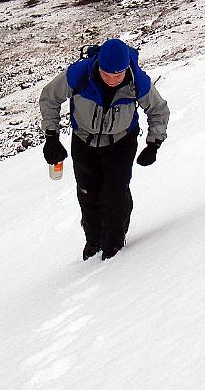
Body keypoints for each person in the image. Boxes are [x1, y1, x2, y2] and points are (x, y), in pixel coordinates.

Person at [39, 38, 170, 260]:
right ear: (98, 64)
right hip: (83, 141)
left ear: (125, 68)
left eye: (117, 74)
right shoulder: (80, 74)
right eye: (106, 73)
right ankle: (94, 241)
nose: (111, 79)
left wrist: (154, 143)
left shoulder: (137, 80)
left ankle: (114, 246)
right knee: (87, 193)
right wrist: (51, 136)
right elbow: (50, 97)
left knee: (115, 193)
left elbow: (158, 110)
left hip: (121, 142)